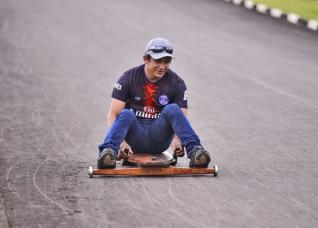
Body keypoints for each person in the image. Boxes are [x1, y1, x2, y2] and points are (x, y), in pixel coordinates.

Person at [97, 37, 211, 169]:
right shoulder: (128, 78)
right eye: (158, 61)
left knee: (173, 109)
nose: (162, 67)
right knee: (126, 114)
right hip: (135, 137)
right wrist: (122, 142)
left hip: (159, 138)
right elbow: (112, 115)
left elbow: (182, 118)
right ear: (146, 59)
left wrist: (177, 139)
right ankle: (108, 153)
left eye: (166, 61)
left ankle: (196, 151)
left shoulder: (177, 83)